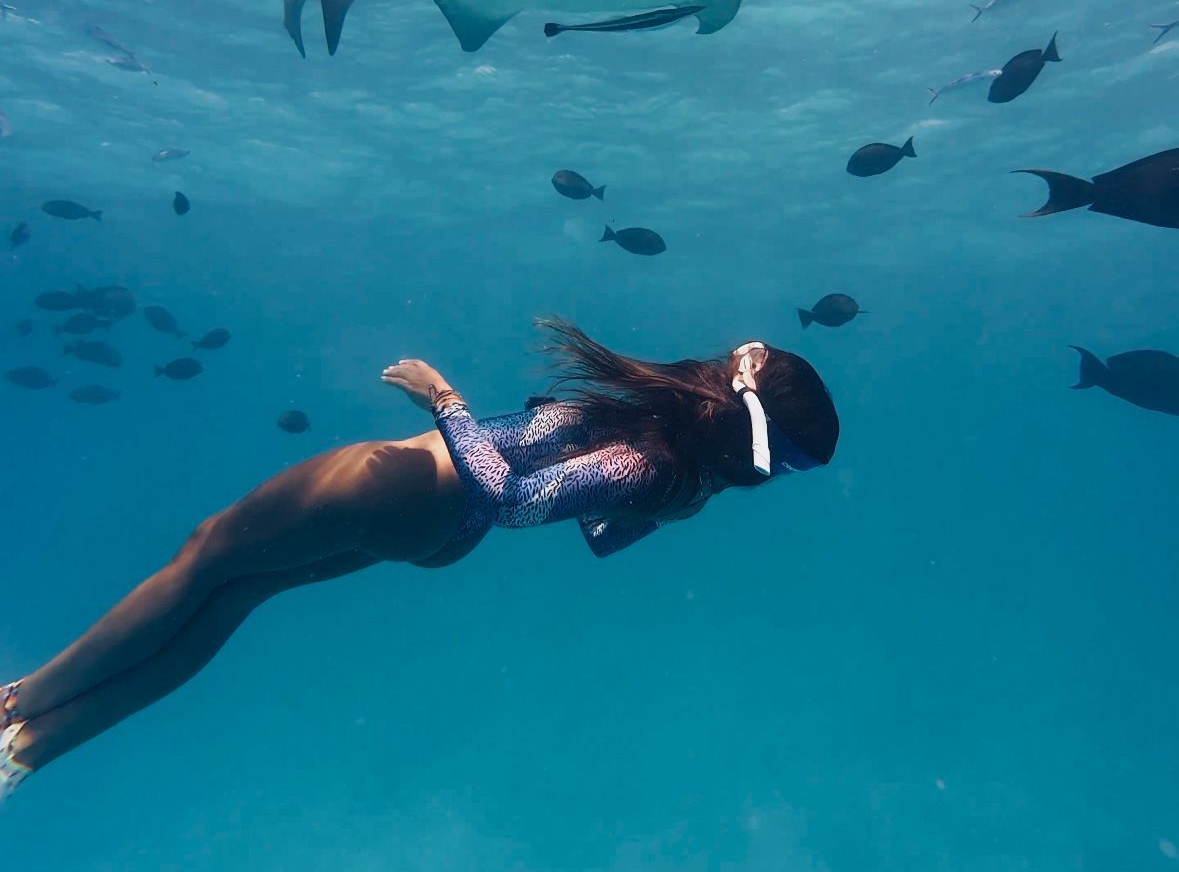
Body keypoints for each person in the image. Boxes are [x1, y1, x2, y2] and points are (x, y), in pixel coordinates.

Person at [0, 319, 838, 797]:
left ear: (735, 389)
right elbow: (601, 531)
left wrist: (445, 400)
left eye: (747, 359)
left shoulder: (655, 463)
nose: (735, 350)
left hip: (405, 487)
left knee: (204, 557)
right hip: (437, 531)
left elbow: (513, 501)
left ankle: (24, 700)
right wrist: (623, 493)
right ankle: (28, 748)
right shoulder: (678, 476)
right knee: (233, 594)